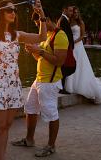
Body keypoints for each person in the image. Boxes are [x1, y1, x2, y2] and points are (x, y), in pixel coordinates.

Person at [0, 0, 47, 160]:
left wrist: (41, 15)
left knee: (7, 126)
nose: (13, 13)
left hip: (13, 85)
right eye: (9, 10)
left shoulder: (17, 35)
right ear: (0, 13)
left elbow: (42, 37)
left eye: (14, 10)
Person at [11, 10, 68, 157]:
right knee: (30, 108)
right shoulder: (47, 36)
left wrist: (40, 51)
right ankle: (29, 139)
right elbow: (41, 59)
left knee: (51, 113)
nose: (39, 27)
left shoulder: (60, 35)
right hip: (39, 79)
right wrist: (34, 51)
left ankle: (51, 146)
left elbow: (59, 61)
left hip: (50, 81)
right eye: (37, 24)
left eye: (40, 23)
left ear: (47, 19)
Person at [65, 7, 101, 103]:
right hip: (71, 46)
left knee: (80, 64)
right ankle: (71, 85)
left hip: (78, 45)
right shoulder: (68, 22)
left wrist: (74, 41)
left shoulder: (81, 23)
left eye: (77, 12)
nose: (75, 14)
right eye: (74, 12)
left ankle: (83, 85)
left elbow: (82, 36)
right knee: (71, 63)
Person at [56, 5, 74, 94]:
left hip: (66, 46)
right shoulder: (63, 20)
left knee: (65, 67)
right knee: (65, 67)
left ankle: (62, 87)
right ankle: (61, 88)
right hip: (66, 47)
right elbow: (66, 35)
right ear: (64, 10)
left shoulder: (63, 19)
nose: (71, 13)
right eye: (70, 11)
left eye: (72, 11)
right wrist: (69, 46)